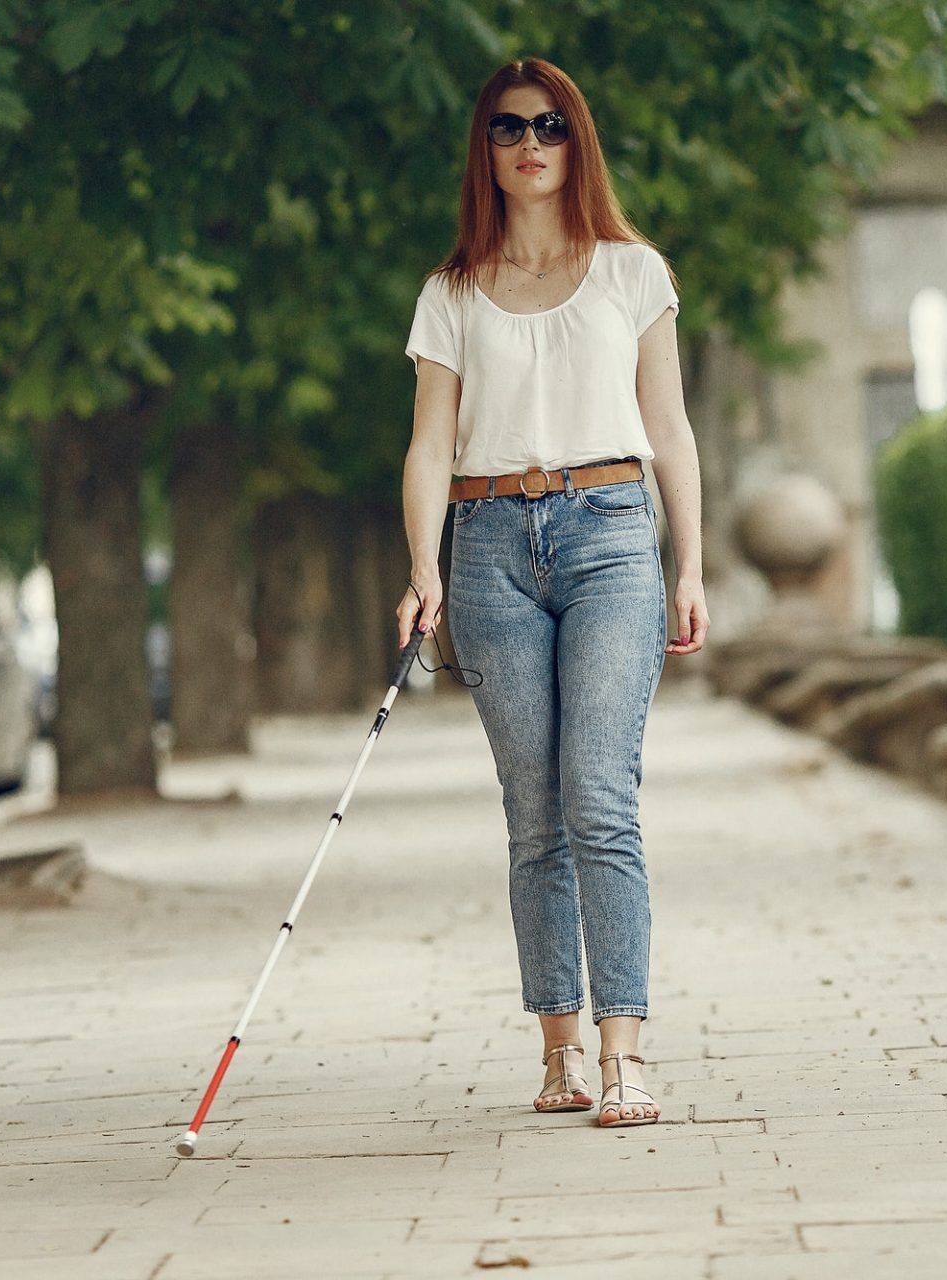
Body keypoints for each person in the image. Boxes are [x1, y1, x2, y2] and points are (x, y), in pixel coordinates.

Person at [395, 57, 709, 1129]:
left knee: (599, 792)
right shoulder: (451, 292)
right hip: (487, 544)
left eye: (553, 125)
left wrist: (692, 565)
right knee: (535, 813)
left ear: (578, 142)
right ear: (484, 149)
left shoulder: (632, 272)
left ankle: (627, 1051)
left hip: (612, 532)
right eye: (508, 127)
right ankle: (559, 1049)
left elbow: (669, 430)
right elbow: (431, 439)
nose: (531, 143)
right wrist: (423, 569)